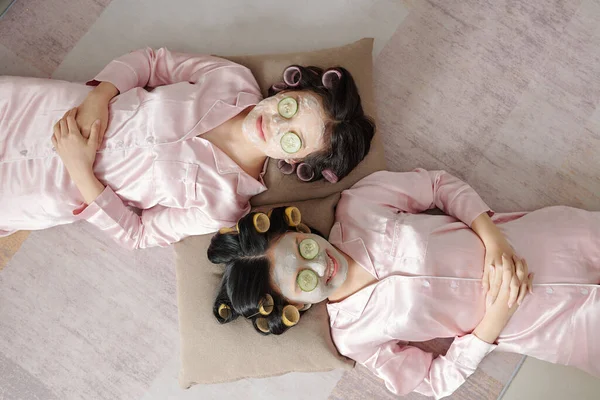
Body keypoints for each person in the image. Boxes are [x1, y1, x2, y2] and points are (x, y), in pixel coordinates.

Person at [208, 169, 599, 399]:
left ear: (297, 230)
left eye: (305, 247)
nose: (320, 263)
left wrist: (494, 238)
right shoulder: (353, 337)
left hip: (551, 241)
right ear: (295, 306)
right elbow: (433, 382)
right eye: (304, 277)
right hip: (552, 325)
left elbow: (438, 185)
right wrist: (492, 324)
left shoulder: (359, 206)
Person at [0, 48, 375, 249]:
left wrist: (81, 171)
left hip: (44, 188)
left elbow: (140, 234)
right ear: (290, 90)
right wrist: (100, 95)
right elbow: (151, 62)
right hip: (45, 110)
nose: (274, 123)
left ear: (295, 160)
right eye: (290, 107)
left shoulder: (224, 204)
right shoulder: (230, 79)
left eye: (292, 138)